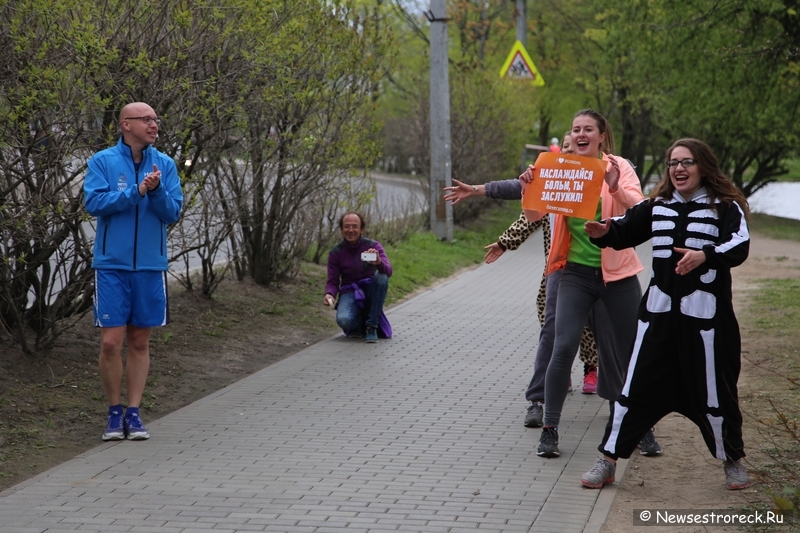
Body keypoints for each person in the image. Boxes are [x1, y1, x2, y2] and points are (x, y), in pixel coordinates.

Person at [580, 138, 751, 490]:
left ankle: (732, 460)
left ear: (703, 166)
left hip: (707, 325)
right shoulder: (657, 206)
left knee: (717, 391)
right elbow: (626, 226)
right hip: (657, 319)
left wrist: (705, 255)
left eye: (687, 162)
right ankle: (608, 460)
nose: (679, 169)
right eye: (673, 163)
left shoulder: (725, 207)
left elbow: (739, 245)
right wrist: (604, 232)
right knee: (633, 387)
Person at [520, 109, 649, 459]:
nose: (580, 134)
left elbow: (641, 211)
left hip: (618, 274)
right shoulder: (558, 167)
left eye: (587, 129)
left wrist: (613, 185)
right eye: (576, 128)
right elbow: (533, 215)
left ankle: (640, 425)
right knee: (562, 348)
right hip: (574, 272)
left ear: (601, 136)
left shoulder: (618, 166)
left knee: (627, 352)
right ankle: (550, 429)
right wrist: (529, 187)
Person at [84, 102, 183, 441]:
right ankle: (114, 414)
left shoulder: (165, 164)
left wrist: (155, 192)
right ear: (126, 124)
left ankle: (135, 413)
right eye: (146, 119)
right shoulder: (102, 162)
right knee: (111, 343)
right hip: (112, 266)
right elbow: (94, 203)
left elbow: (172, 213)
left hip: (150, 267)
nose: (154, 124)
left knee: (139, 342)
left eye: (156, 118)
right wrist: (136, 191)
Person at [324, 212, 392, 343]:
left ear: (362, 229)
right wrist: (329, 294)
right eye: (346, 227)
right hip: (349, 290)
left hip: (370, 289)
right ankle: (359, 322)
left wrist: (378, 262)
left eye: (354, 227)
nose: (350, 230)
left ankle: (372, 326)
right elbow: (332, 280)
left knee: (382, 277)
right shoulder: (335, 253)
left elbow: (388, 271)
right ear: (341, 230)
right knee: (344, 320)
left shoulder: (373, 246)